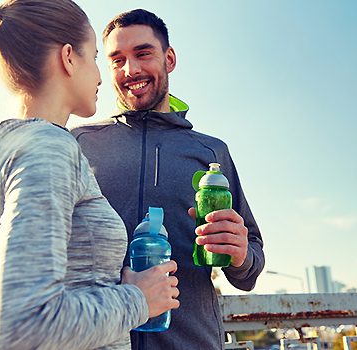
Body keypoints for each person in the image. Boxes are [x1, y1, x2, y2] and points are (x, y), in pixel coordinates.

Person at [0, 2, 180, 349]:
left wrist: (118, 286)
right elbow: (25, 326)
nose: (102, 76)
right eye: (96, 57)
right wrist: (137, 299)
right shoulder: (48, 148)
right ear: (69, 57)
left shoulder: (16, 145)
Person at [71, 9, 265, 350]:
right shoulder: (78, 143)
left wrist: (239, 255)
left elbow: (250, 265)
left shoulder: (211, 151)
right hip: (96, 340)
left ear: (169, 58)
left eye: (143, 54)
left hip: (193, 342)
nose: (131, 70)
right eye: (117, 60)